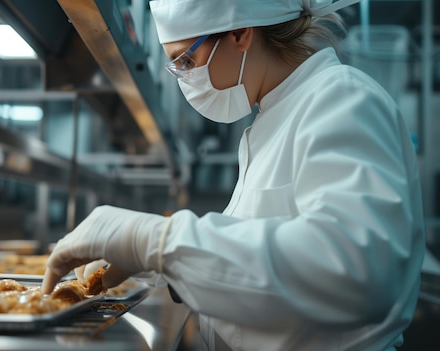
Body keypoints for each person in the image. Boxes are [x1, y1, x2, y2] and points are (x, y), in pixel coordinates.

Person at [42, 0, 425, 350]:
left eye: (187, 62)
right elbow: (257, 265)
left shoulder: (342, 99)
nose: (184, 79)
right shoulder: (272, 119)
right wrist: (159, 267)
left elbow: (355, 274)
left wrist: (158, 242)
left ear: (240, 34)